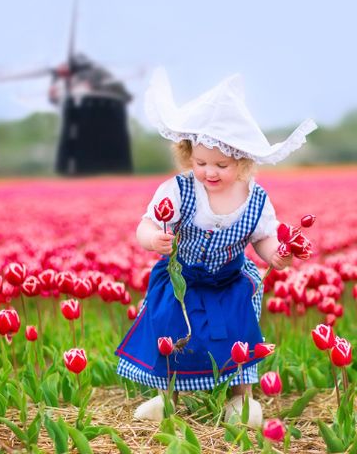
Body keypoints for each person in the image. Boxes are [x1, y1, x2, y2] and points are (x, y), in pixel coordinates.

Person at [115, 68, 317, 424]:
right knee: (172, 329)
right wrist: (153, 239)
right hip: (182, 278)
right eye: (201, 162)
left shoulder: (255, 199)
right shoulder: (179, 190)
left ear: (241, 161)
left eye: (221, 165)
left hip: (229, 280)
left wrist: (277, 254)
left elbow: (264, 238)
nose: (209, 171)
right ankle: (167, 397)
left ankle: (240, 400)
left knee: (239, 334)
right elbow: (145, 225)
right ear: (188, 156)